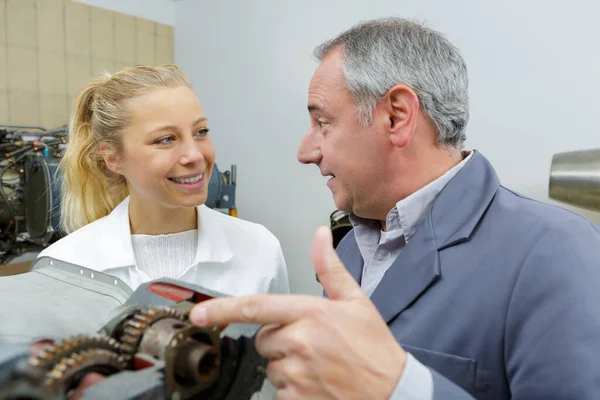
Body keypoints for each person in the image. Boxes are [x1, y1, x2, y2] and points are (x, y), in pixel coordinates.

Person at [189, 17, 600, 400]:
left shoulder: (556, 252)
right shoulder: (349, 250)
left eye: (323, 123)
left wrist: (400, 385)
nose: (305, 151)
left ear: (397, 117)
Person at [37, 64, 289, 299]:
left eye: (200, 132)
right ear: (113, 158)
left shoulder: (260, 249)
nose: (195, 155)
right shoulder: (64, 267)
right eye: (165, 139)